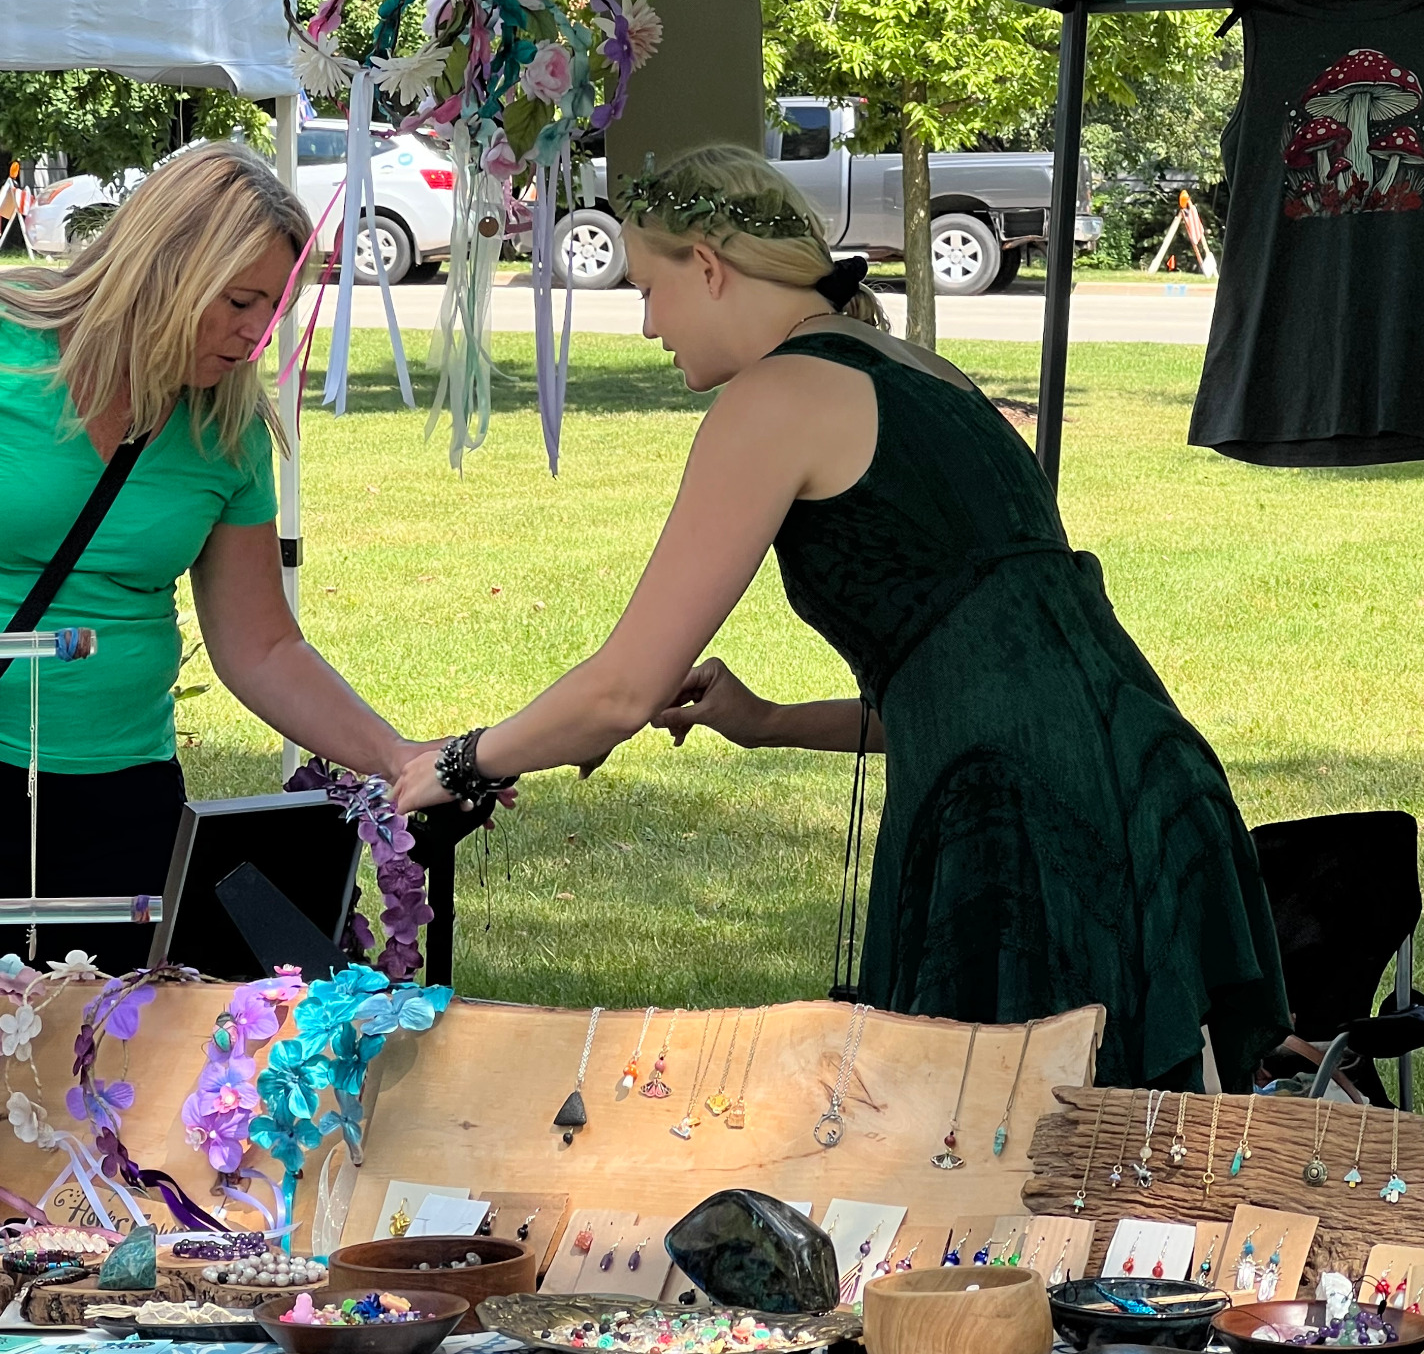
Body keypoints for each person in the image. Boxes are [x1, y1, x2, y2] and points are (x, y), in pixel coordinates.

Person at [393, 146, 1290, 1091]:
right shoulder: (926, 374)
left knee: (994, 1187)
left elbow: (625, 687)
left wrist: (459, 761)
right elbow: (980, 682)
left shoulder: (777, 396)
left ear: (709, 266)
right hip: (1146, 781)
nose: (648, 321)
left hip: (1021, 829)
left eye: (650, 287)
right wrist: (771, 723)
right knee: (1105, 1191)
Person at [0, 144, 432, 962]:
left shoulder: (225, 431)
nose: (258, 332)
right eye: (240, 301)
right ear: (168, 265)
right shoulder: (10, 345)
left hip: (122, 794)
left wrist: (396, 756)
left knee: (104, 1056)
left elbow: (263, 646)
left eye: (275, 307)